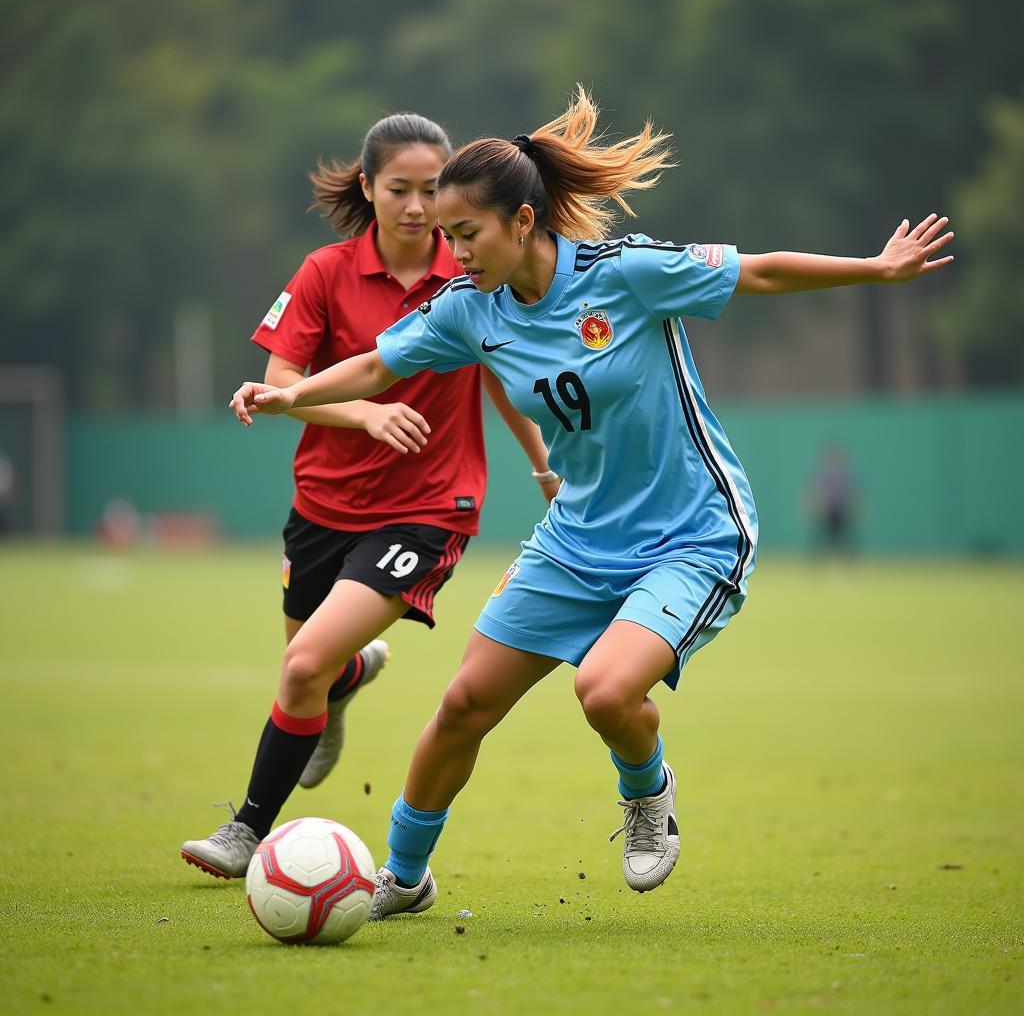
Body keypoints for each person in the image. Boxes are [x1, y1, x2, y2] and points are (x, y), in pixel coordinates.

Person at [229, 87, 954, 914]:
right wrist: (291, 397)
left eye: (467, 234)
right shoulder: (471, 311)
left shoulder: (630, 274)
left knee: (605, 692)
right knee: (464, 704)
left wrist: (878, 268)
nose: (453, 251)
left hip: (693, 534)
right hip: (576, 538)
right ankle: (402, 876)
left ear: (524, 223)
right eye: (446, 238)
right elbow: (374, 367)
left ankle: (648, 795)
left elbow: (757, 272)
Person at [182, 113, 556, 879]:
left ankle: (245, 832)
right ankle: (349, 676)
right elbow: (286, 386)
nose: (418, 209)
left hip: (427, 508)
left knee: (300, 668)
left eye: (431, 190)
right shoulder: (325, 272)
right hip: (322, 505)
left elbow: (506, 377)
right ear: (368, 187)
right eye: (400, 190)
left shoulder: (472, 272)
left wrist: (544, 466)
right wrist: (362, 412)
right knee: (311, 667)